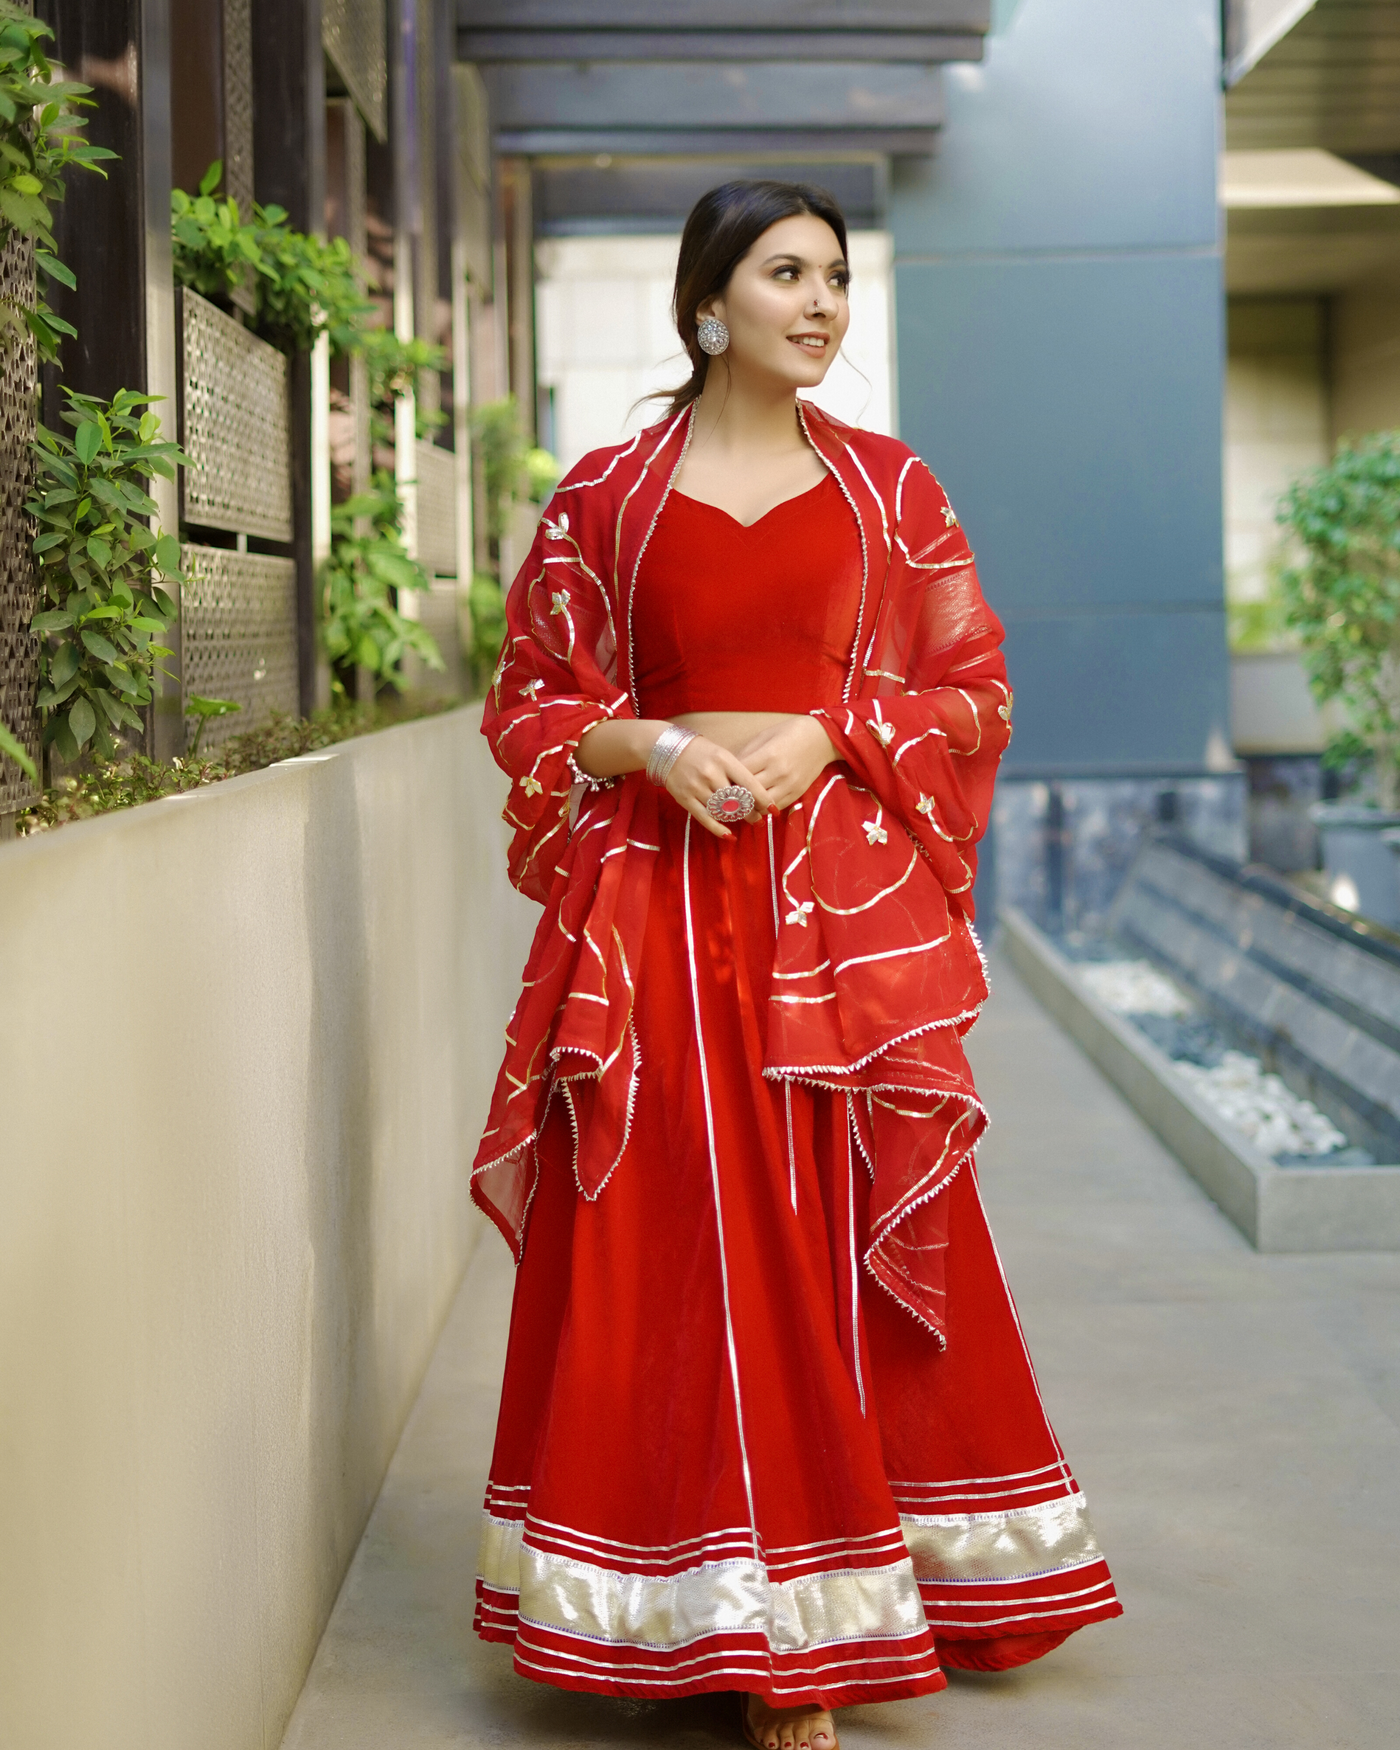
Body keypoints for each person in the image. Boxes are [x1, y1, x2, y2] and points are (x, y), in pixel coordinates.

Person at [471, 180, 1120, 1750]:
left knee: (831, 1239)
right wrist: (657, 741)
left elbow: (973, 689)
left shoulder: (892, 493)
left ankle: (842, 1598)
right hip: (661, 921)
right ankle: (743, 1629)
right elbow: (530, 705)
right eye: (786, 275)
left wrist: (837, 727)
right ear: (710, 305)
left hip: (834, 925)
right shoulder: (608, 500)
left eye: (836, 275)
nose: (822, 303)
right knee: (693, 1255)